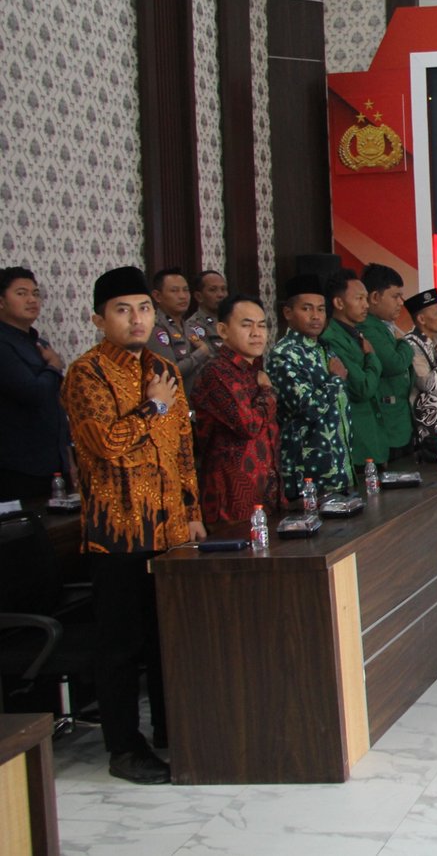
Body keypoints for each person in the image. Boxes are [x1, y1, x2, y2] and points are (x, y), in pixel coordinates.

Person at [61, 266, 206, 785]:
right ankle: (123, 748)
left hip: (169, 529)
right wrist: (153, 407)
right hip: (119, 533)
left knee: (168, 638)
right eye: (123, 310)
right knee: (121, 647)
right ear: (99, 319)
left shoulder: (163, 367)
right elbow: (105, 443)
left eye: (143, 309)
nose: (137, 319)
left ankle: (172, 732)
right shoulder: (87, 373)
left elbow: (183, 447)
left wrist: (193, 513)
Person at [189, 294, 280, 524]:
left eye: (262, 326)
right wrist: (268, 392)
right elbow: (249, 425)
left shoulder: (254, 370)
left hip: (264, 492)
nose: (256, 333)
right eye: (246, 325)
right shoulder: (217, 372)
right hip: (231, 499)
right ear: (223, 330)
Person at [265, 274, 354, 498]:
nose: (316, 316)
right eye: (307, 309)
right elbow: (308, 408)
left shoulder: (323, 347)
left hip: (338, 463)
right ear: (288, 313)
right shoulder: (284, 354)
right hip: (307, 470)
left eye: (321, 309)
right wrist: (335, 379)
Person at [0, 267, 72, 499]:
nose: (32, 300)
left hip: (53, 462)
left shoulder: (38, 342)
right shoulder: (3, 344)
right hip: (19, 467)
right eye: (21, 293)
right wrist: (53, 367)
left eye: (35, 293)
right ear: (1, 301)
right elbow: (32, 393)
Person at [320, 269, 387, 473]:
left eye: (366, 299)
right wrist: (372, 357)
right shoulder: (332, 338)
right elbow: (362, 388)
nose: (366, 305)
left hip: (372, 437)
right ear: (339, 303)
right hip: (356, 440)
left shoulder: (354, 333)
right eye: (359, 299)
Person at [361, 264, 417, 462]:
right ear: (375, 297)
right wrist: (405, 344)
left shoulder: (384, 326)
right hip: (387, 424)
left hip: (400, 421)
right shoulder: (367, 327)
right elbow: (395, 364)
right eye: (395, 296)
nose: (401, 302)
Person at [402, 289, 437, 444]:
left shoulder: (432, 343)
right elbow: (426, 384)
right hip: (424, 425)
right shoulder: (412, 344)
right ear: (421, 319)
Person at [146, 267, 210, 388]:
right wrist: (200, 353)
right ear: (157, 296)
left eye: (186, 290)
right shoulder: (156, 328)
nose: (182, 296)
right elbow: (169, 373)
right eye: (174, 291)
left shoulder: (187, 326)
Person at [185, 269, 228, 353]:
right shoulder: (192, 326)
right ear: (199, 296)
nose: (221, 295)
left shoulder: (233, 321)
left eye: (223, 289)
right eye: (213, 290)